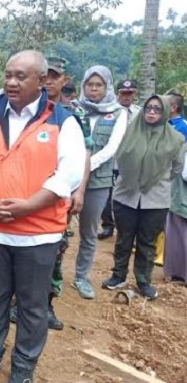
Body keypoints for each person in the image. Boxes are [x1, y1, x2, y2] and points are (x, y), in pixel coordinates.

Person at [0, 51, 85, 383]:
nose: (11, 82)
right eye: (8, 75)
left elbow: (68, 174)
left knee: (31, 304)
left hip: (37, 235)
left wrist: (26, 207)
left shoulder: (63, 121)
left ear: (42, 81)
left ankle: (24, 365)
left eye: (21, 76)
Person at [8, 56, 88, 331]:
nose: (50, 81)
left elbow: (83, 156)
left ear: (63, 80)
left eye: (56, 76)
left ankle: (47, 304)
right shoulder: (22, 110)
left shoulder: (72, 114)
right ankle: (18, 301)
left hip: (57, 197)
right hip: (24, 194)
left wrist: (80, 190)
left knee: (54, 250)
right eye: (47, 75)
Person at [101, 95, 184, 300]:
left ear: (165, 112)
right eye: (148, 108)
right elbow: (119, 159)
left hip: (155, 199)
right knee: (124, 239)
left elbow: (177, 169)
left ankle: (143, 281)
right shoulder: (130, 132)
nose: (152, 112)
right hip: (125, 195)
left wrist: (153, 179)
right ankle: (118, 275)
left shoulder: (176, 139)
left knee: (147, 242)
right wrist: (132, 179)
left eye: (157, 109)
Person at [71, 65, 128, 300]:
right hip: (68, 179)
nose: (94, 89)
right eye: (90, 85)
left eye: (99, 85)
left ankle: (81, 277)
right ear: (83, 86)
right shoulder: (74, 108)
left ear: (107, 87)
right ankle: (51, 276)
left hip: (97, 183)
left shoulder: (117, 113)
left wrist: (85, 166)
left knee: (88, 232)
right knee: (56, 228)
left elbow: (112, 149)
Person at [98, 79, 142, 240]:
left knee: (128, 195)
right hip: (110, 159)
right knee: (106, 195)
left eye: (130, 93)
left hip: (131, 162)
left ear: (134, 94)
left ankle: (126, 229)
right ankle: (108, 226)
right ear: (118, 93)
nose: (127, 96)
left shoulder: (140, 113)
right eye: (124, 93)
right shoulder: (108, 111)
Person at [164, 147, 187, 285]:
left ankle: (179, 274)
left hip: (181, 202)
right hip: (181, 201)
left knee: (179, 238)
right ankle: (178, 275)